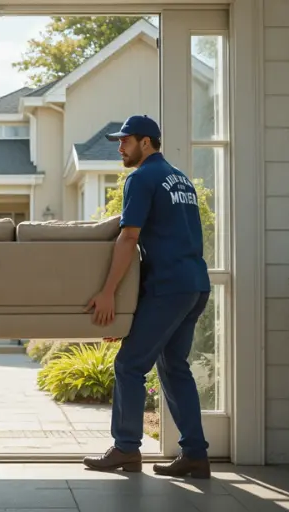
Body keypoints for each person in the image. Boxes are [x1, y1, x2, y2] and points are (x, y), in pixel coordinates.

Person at [83, 115, 212, 479]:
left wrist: (108, 293)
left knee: (128, 365)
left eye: (126, 140)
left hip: (170, 286)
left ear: (146, 142)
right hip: (194, 284)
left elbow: (128, 238)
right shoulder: (180, 178)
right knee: (174, 367)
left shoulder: (141, 178)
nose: (120, 147)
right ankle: (195, 455)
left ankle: (126, 449)